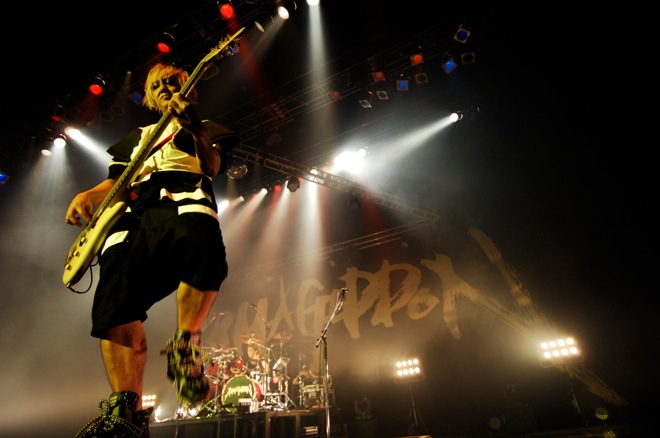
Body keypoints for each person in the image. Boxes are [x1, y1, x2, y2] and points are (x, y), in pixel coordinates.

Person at [66, 63, 239, 438]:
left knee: (201, 244)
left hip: (183, 197)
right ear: (148, 94)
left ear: (189, 87)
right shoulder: (136, 138)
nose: (164, 87)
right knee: (114, 303)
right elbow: (115, 181)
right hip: (133, 213)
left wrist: (195, 127)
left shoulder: (206, 127)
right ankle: (124, 411)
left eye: (172, 81)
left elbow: (212, 167)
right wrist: (87, 195)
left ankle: (185, 346)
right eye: (156, 84)